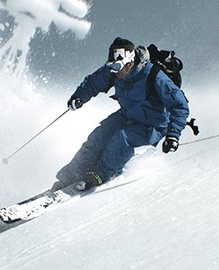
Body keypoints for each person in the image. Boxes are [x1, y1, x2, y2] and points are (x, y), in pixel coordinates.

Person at [54, 38, 190, 190]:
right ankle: (70, 176)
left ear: (130, 62)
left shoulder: (154, 76)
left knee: (123, 138)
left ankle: (100, 175)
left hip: (153, 125)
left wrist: (173, 135)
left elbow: (180, 106)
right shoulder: (115, 71)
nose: (114, 70)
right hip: (127, 115)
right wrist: (79, 97)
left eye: (117, 66)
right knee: (99, 135)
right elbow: (94, 82)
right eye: (111, 66)